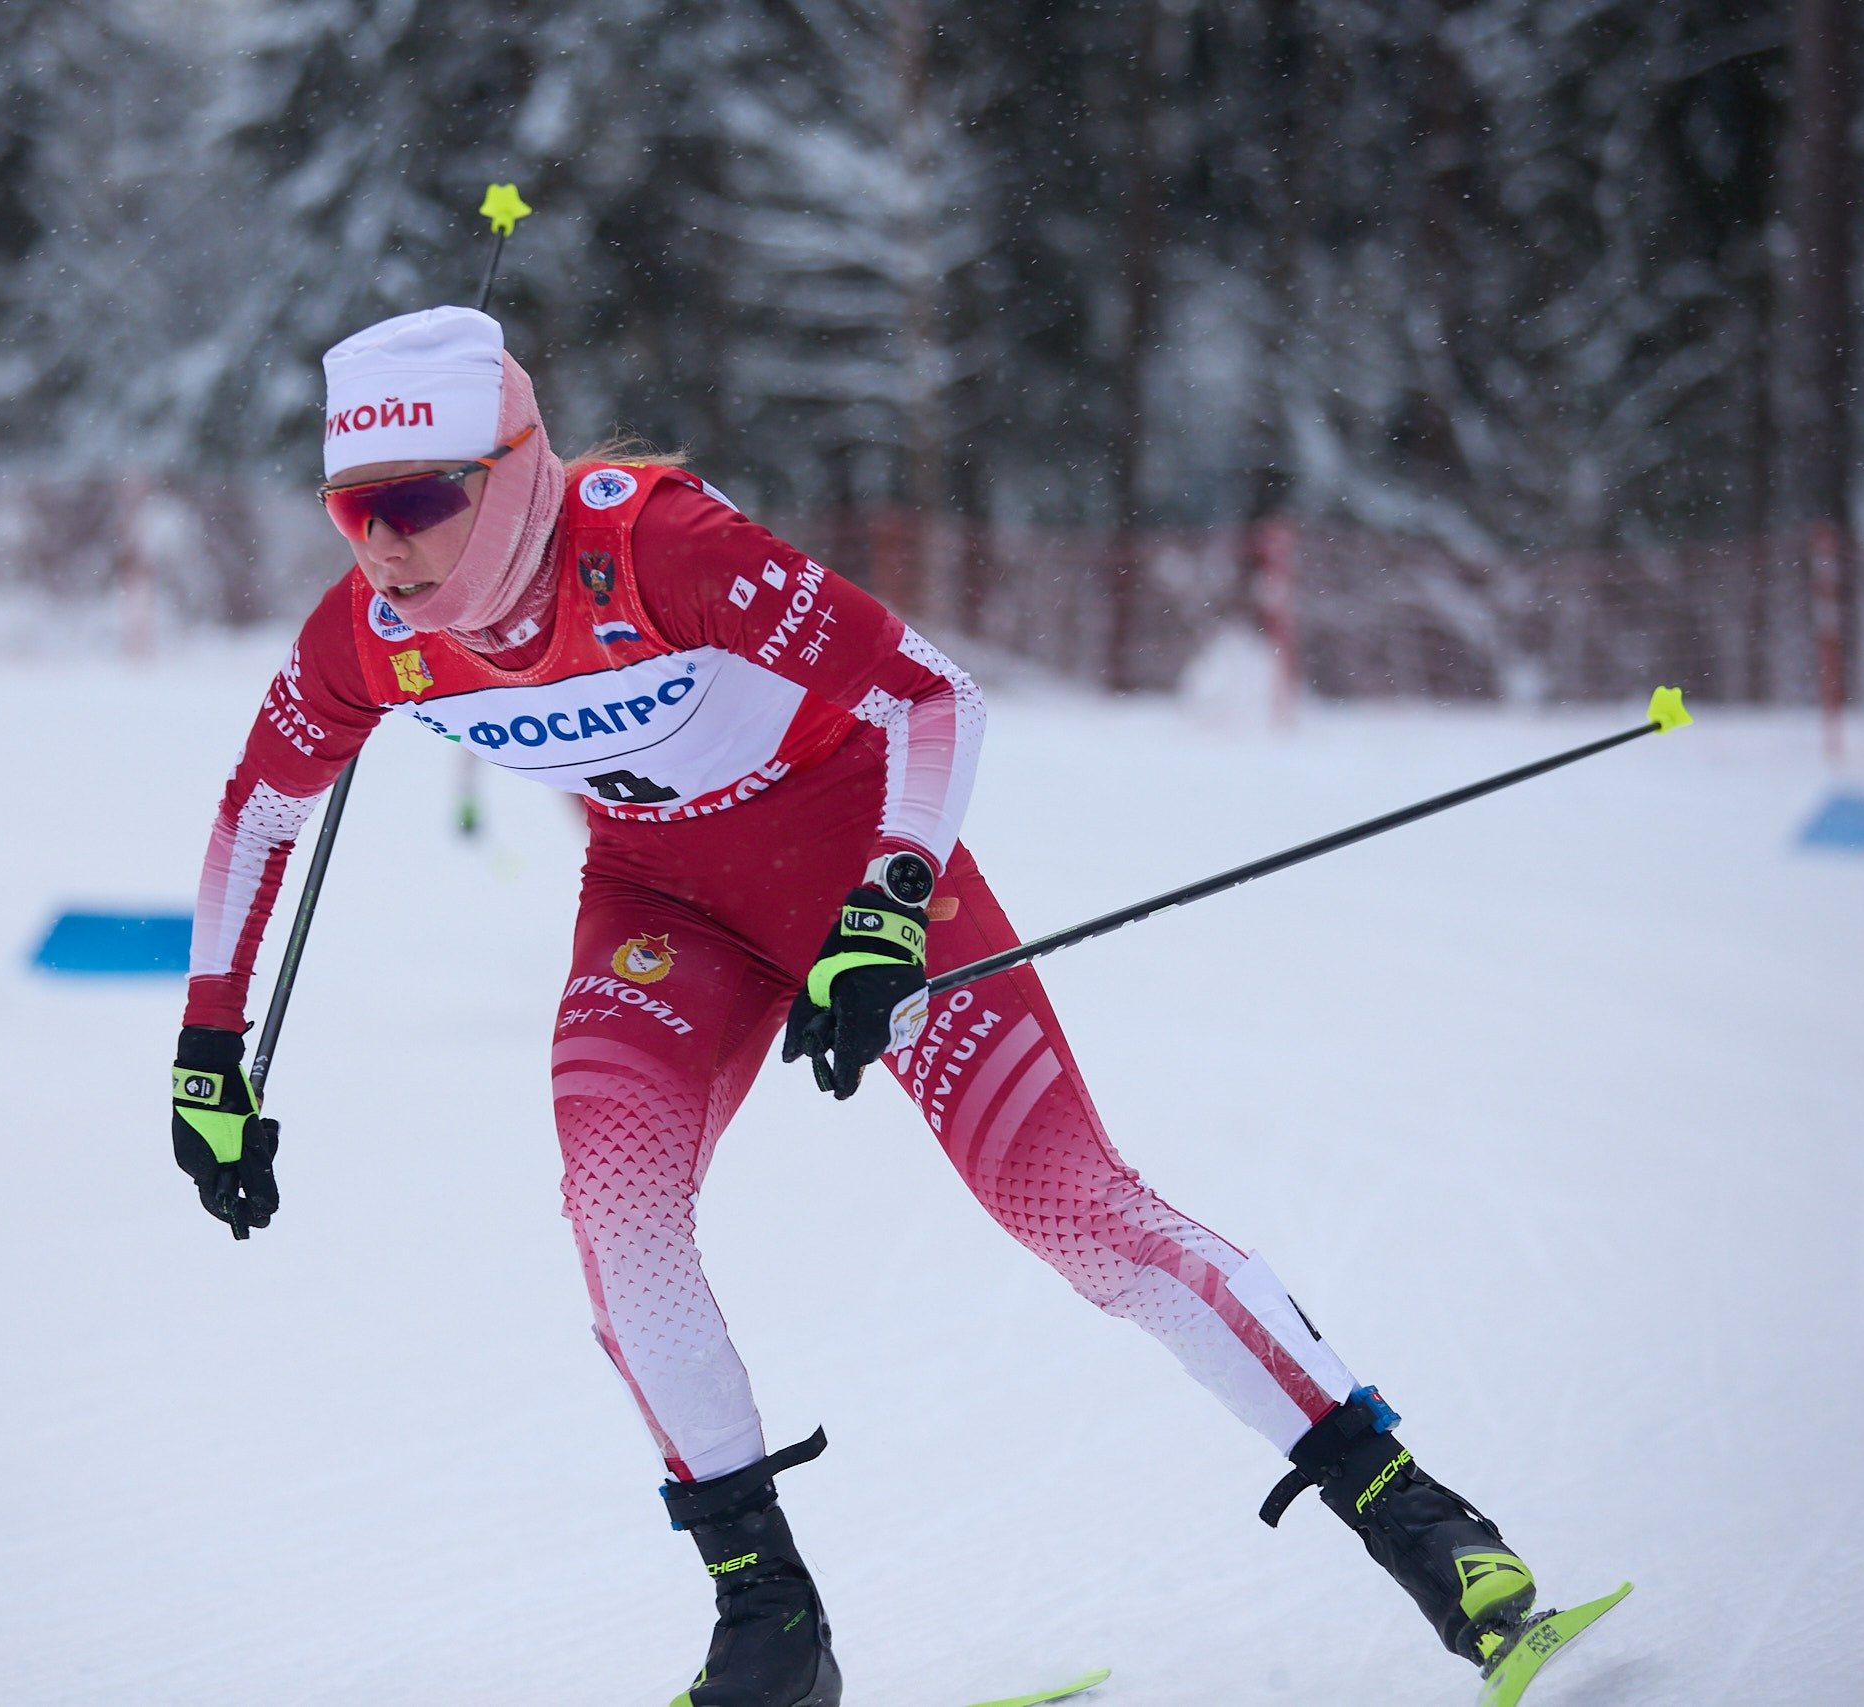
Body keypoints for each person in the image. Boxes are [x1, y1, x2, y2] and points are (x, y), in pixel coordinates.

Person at [167, 308, 1539, 1707]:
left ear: (514, 470)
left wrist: (885, 904)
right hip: (663, 908)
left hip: (855, 868)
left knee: (1071, 1207)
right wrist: (208, 1050)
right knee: (617, 1219)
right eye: (352, 509)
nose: (382, 545)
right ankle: (771, 1623)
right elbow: (260, 807)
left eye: (416, 501)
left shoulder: (661, 551)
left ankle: (1426, 1526)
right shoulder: (370, 636)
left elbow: (932, 700)